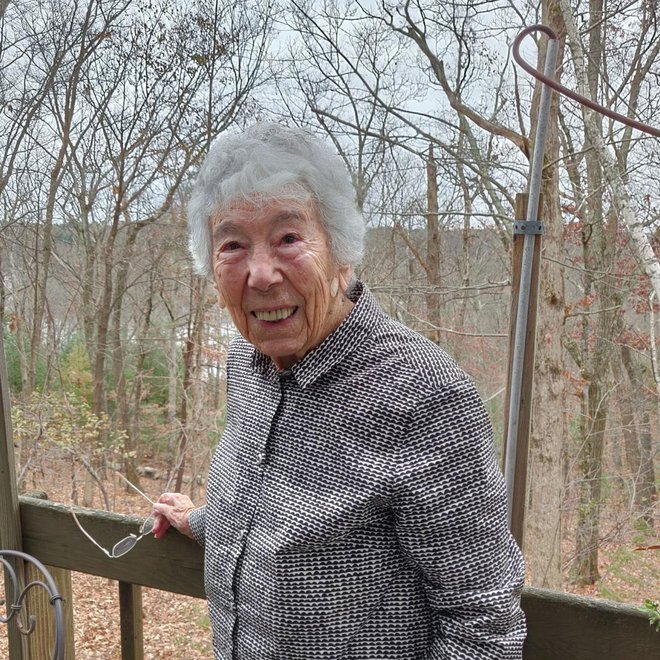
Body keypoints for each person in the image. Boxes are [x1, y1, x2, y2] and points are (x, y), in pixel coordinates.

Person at [152, 122, 526, 659]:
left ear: (340, 249)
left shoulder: (424, 393)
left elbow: (483, 625)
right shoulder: (248, 363)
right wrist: (204, 521)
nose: (261, 273)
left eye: (288, 238)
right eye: (232, 244)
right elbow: (280, 506)